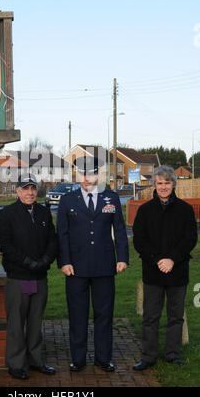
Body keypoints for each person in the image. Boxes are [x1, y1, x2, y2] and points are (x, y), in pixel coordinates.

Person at [57, 156, 129, 372]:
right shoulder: (68, 200)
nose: (87, 177)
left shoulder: (111, 198)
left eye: (91, 173)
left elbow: (119, 229)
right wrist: (64, 261)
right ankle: (78, 359)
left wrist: (122, 257)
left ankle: (103, 358)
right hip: (75, 267)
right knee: (77, 314)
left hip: (104, 265)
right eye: (83, 173)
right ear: (77, 175)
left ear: (99, 175)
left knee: (104, 314)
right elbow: (62, 233)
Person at [132, 165, 197, 370]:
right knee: (151, 317)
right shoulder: (144, 210)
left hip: (178, 272)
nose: (163, 187)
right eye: (159, 183)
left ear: (173, 184)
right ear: (154, 184)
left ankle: (172, 354)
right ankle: (148, 356)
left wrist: (172, 260)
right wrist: (158, 260)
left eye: (167, 183)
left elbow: (190, 239)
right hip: (153, 273)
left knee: (176, 317)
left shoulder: (186, 210)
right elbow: (139, 241)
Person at [0, 172, 58, 380]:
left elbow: (52, 240)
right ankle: (16, 363)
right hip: (18, 277)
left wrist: (45, 260)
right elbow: (5, 244)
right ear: (17, 191)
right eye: (25, 189)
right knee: (16, 322)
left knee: (35, 321)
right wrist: (27, 262)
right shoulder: (7, 214)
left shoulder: (43, 212)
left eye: (33, 188)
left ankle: (36, 360)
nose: (30, 193)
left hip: (40, 276)